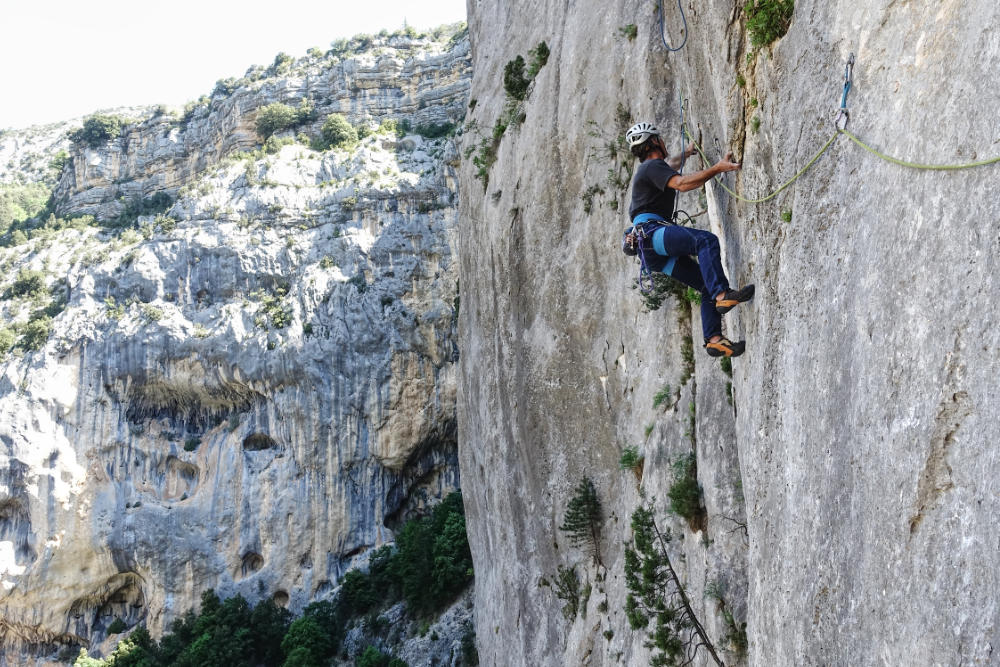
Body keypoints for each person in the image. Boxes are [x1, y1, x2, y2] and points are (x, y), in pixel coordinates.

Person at [624, 121, 753, 358]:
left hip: (650, 252)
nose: (664, 142)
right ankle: (723, 296)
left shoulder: (651, 169)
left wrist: (687, 152)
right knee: (705, 241)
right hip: (652, 234)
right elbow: (681, 184)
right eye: (660, 139)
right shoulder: (651, 167)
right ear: (654, 142)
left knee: (705, 284)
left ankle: (714, 340)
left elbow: (670, 165)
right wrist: (718, 168)